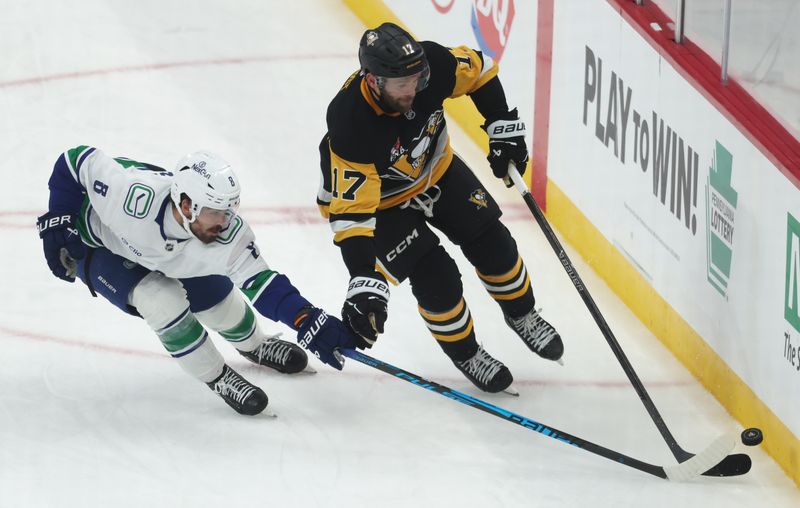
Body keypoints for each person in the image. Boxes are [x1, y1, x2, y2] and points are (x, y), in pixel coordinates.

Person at [317, 22, 564, 394]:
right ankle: (466, 352)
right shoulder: (350, 122)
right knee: (437, 278)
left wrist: (501, 126)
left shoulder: (431, 63)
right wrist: (362, 278)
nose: (413, 90)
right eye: (402, 85)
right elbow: (352, 217)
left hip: (436, 171)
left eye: (417, 79)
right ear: (373, 81)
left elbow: (480, 70)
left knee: (494, 244)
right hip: (382, 206)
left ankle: (522, 314)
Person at [37, 146, 358, 415]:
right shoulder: (131, 197)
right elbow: (74, 160)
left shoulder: (224, 230)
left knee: (219, 303)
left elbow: (262, 283)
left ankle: (255, 345)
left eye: (230, 210)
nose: (226, 221)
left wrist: (305, 318)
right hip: (95, 243)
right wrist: (57, 224)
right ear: (187, 204)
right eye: (217, 211)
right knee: (160, 299)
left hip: (163, 250)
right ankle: (216, 375)